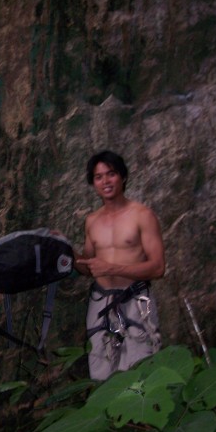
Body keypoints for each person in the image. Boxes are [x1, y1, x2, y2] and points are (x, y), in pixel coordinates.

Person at [74, 150, 165, 380]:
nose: (105, 181)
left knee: (140, 373)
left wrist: (113, 269)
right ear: (93, 183)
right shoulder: (92, 221)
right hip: (101, 303)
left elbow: (158, 268)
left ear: (123, 177)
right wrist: (66, 252)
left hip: (135, 301)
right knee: (101, 372)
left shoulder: (142, 215)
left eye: (111, 174)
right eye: (98, 177)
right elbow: (88, 267)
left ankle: (140, 416)